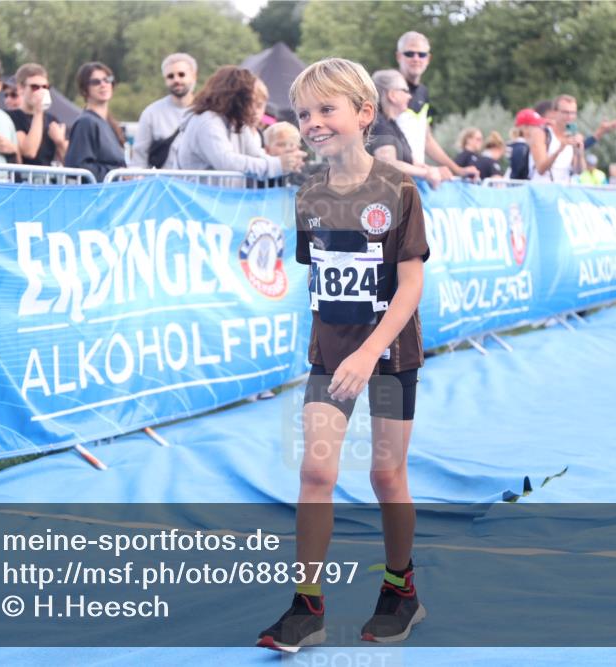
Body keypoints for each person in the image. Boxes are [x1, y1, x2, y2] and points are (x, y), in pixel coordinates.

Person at [257, 57, 429, 651]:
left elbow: (410, 285)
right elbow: (324, 278)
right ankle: (306, 607)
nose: (313, 122)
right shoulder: (308, 194)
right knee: (316, 471)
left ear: (363, 113)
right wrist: (337, 353)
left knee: (386, 475)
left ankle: (401, 590)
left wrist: (370, 352)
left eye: (326, 109)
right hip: (330, 357)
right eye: (304, 113)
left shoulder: (398, 190)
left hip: (389, 357)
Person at [168, 66, 304, 181]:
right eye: (249, 100)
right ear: (236, 98)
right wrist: (278, 165)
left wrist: (289, 162)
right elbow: (226, 162)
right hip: (195, 200)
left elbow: (256, 155)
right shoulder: (207, 121)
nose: (252, 108)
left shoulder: (236, 122)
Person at [394, 31, 478, 181]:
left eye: (421, 54)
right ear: (399, 56)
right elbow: (380, 145)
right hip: (389, 180)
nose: (416, 59)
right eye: (409, 53)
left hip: (414, 180)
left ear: (428, 59)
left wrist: (457, 170)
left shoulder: (423, 92)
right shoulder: (387, 90)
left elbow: (427, 139)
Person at [369, 69, 442, 188]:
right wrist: (426, 173)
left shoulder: (390, 124)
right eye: (405, 91)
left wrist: (430, 170)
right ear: (392, 95)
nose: (410, 96)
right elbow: (387, 164)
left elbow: (409, 162)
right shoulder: (379, 124)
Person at [130, 53, 197, 169]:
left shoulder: (206, 112)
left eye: (181, 74)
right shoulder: (151, 113)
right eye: (170, 76)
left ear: (194, 76)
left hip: (196, 179)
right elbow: (139, 156)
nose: (176, 80)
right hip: (162, 179)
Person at [65, 62, 127, 182]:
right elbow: (79, 168)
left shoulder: (110, 123)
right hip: (97, 192)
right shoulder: (85, 123)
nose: (103, 85)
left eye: (107, 80)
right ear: (85, 89)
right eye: (95, 82)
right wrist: (117, 175)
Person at [8, 63, 68, 169]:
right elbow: (29, 152)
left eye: (45, 87)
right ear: (20, 88)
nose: (41, 91)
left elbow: (69, 160)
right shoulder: (12, 116)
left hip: (48, 177)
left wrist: (60, 142)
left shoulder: (52, 120)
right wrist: (39, 111)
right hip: (23, 177)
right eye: (35, 87)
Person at [504, 108, 547, 180]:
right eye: (536, 126)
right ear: (525, 128)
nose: (540, 129)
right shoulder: (521, 148)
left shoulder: (517, 145)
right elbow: (518, 174)